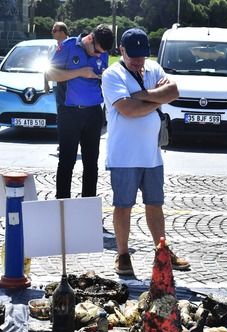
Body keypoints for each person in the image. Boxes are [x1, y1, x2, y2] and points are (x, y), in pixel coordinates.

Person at [101, 28, 190, 276]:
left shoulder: (153, 68)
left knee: (155, 204)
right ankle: (122, 254)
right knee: (123, 205)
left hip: (152, 154)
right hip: (124, 154)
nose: (139, 61)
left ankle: (162, 251)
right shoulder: (112, 74)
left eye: (142, 55)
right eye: (134, 56)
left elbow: (173, 92)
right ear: (121, 50)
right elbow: (127, 109)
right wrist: (157, 98)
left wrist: (144, 96)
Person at [46, 24, 114, 199]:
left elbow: (102, 73)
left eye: (102, 53)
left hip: (93, 113)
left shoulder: (102, 51)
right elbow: (50, 74)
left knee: (91, 163)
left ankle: (88, 205)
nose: (99, 55)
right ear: (90, 39)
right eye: (97, 51)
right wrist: (80, 72)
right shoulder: (68, 46)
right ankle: (62, 205)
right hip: (69, 112)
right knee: (66, 162)